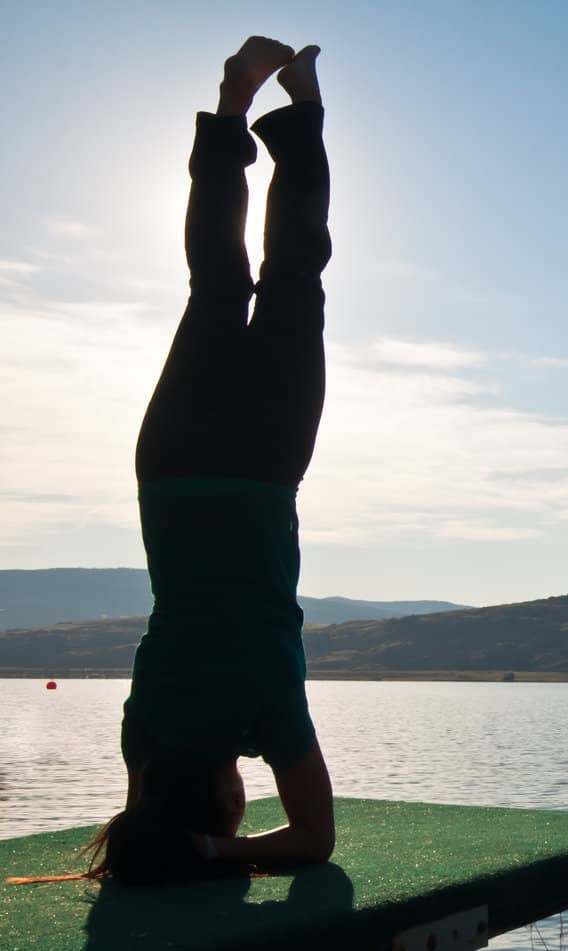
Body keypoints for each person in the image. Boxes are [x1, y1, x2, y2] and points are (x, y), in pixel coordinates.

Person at [82, 37, 336, 884]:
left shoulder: (268, 706)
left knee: (294, 275)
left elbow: (313, 841)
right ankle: (231, 106)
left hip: (261, 465)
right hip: (170, 465)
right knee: (215, 281)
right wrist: (171, 846)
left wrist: (208, 854)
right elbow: (139, 819)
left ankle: (300, 108)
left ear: (231, 799)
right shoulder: (145, 731)